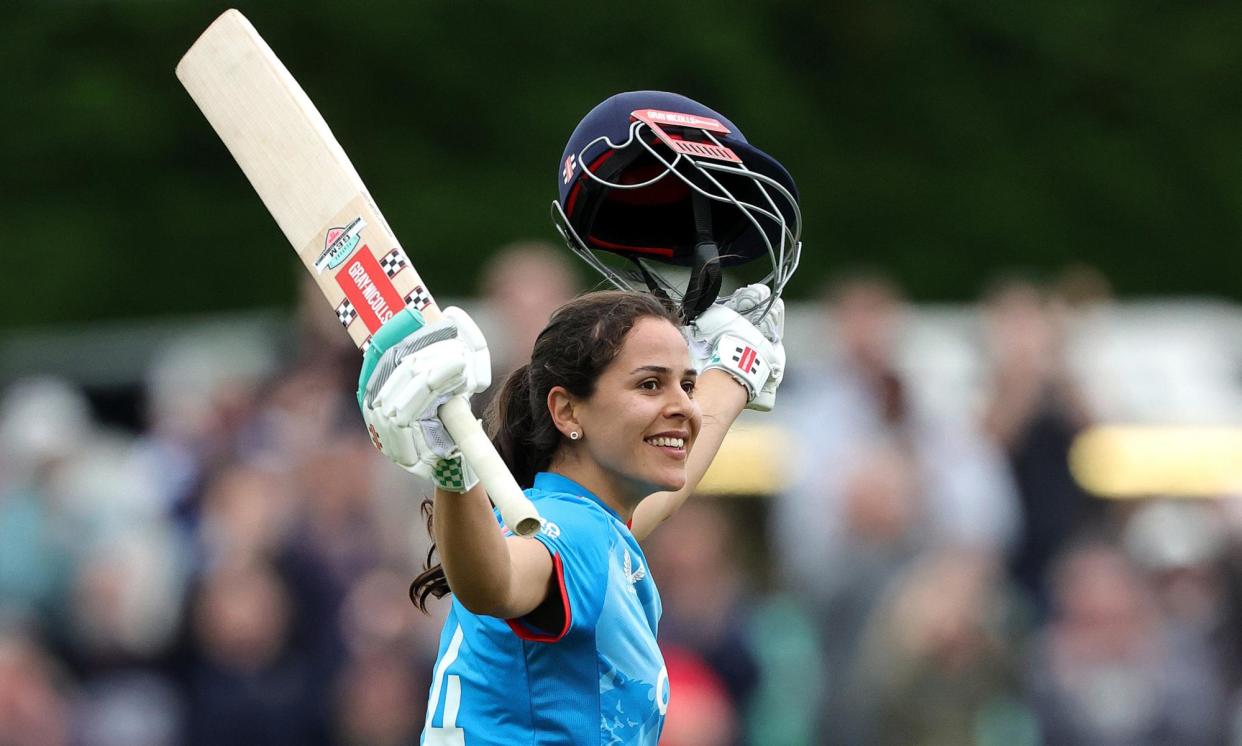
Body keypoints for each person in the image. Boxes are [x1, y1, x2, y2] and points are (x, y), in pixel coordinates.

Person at [359, 91, 798, 744]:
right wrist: (451, 469)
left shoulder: (597, 525)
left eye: (685, 382)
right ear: (568, 411)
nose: (681, 403)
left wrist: (731, 375)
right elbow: (494, 583)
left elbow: (663, 498)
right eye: (650, 384)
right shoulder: (572, 537)